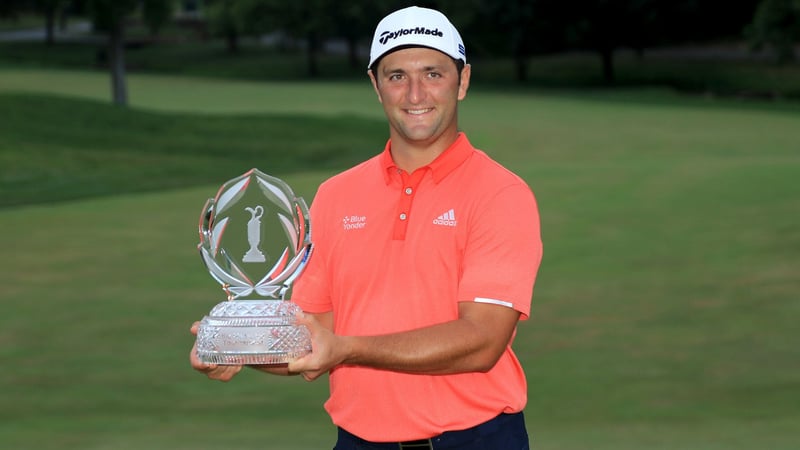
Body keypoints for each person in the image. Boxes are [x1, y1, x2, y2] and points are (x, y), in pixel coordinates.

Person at [190, 6, 543, 449]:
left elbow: (481, 341)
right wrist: (235, 346)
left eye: (433, 73)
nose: (415, 93)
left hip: (476, 440)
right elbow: (312, 336)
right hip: (357, 441)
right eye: (396, 76)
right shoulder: (336, 194)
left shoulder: (500, 193)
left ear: (463, 80)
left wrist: (348, 349)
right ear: (376, 86)